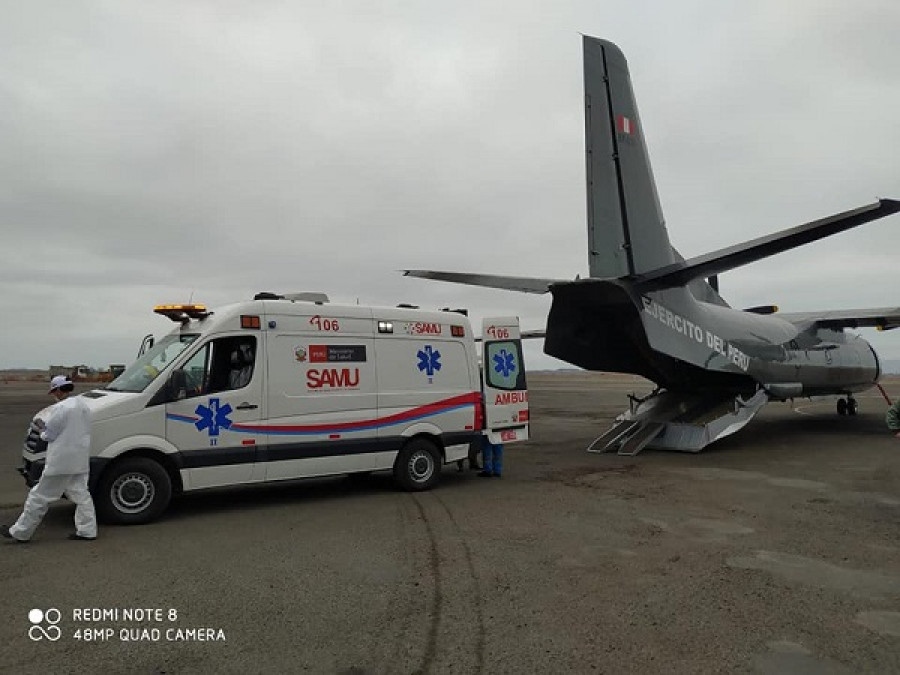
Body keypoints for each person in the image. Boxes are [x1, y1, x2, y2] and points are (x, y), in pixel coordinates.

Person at [3, 376, 97, 543]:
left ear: (59, 390)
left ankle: (20, 532)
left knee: (38, 496)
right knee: (81, 495)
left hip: (60, 461)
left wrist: (41, 430)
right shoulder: (84, 406)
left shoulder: (60, 408)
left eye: (54, 391)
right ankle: (87, 530)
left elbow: (49, 435)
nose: (53, 394)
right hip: (79, 459)